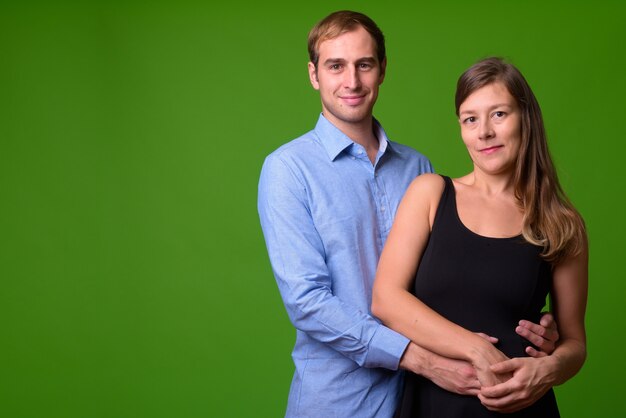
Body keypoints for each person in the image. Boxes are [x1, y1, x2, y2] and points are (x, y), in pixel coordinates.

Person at [258, 11, 558, 417]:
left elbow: (448, 283)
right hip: (339, 401)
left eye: (364, 64)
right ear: (314, 75)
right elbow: (307, 302)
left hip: (424, 399)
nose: (352, 81)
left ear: (382, 70)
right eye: (335, 66)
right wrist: (418, 358)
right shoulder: (288, 169)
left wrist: (527, 326)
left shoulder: (418, 169)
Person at [372, 57, 588, 417]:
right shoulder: (430, 193)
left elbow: (574, 343)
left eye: (499, 114)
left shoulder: (561, 222)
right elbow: (386, 299)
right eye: (470, 119)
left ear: (526, 118)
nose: (484, 131)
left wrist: (548, 370)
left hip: (521, 406)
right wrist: (475, 348)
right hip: (431, 405)